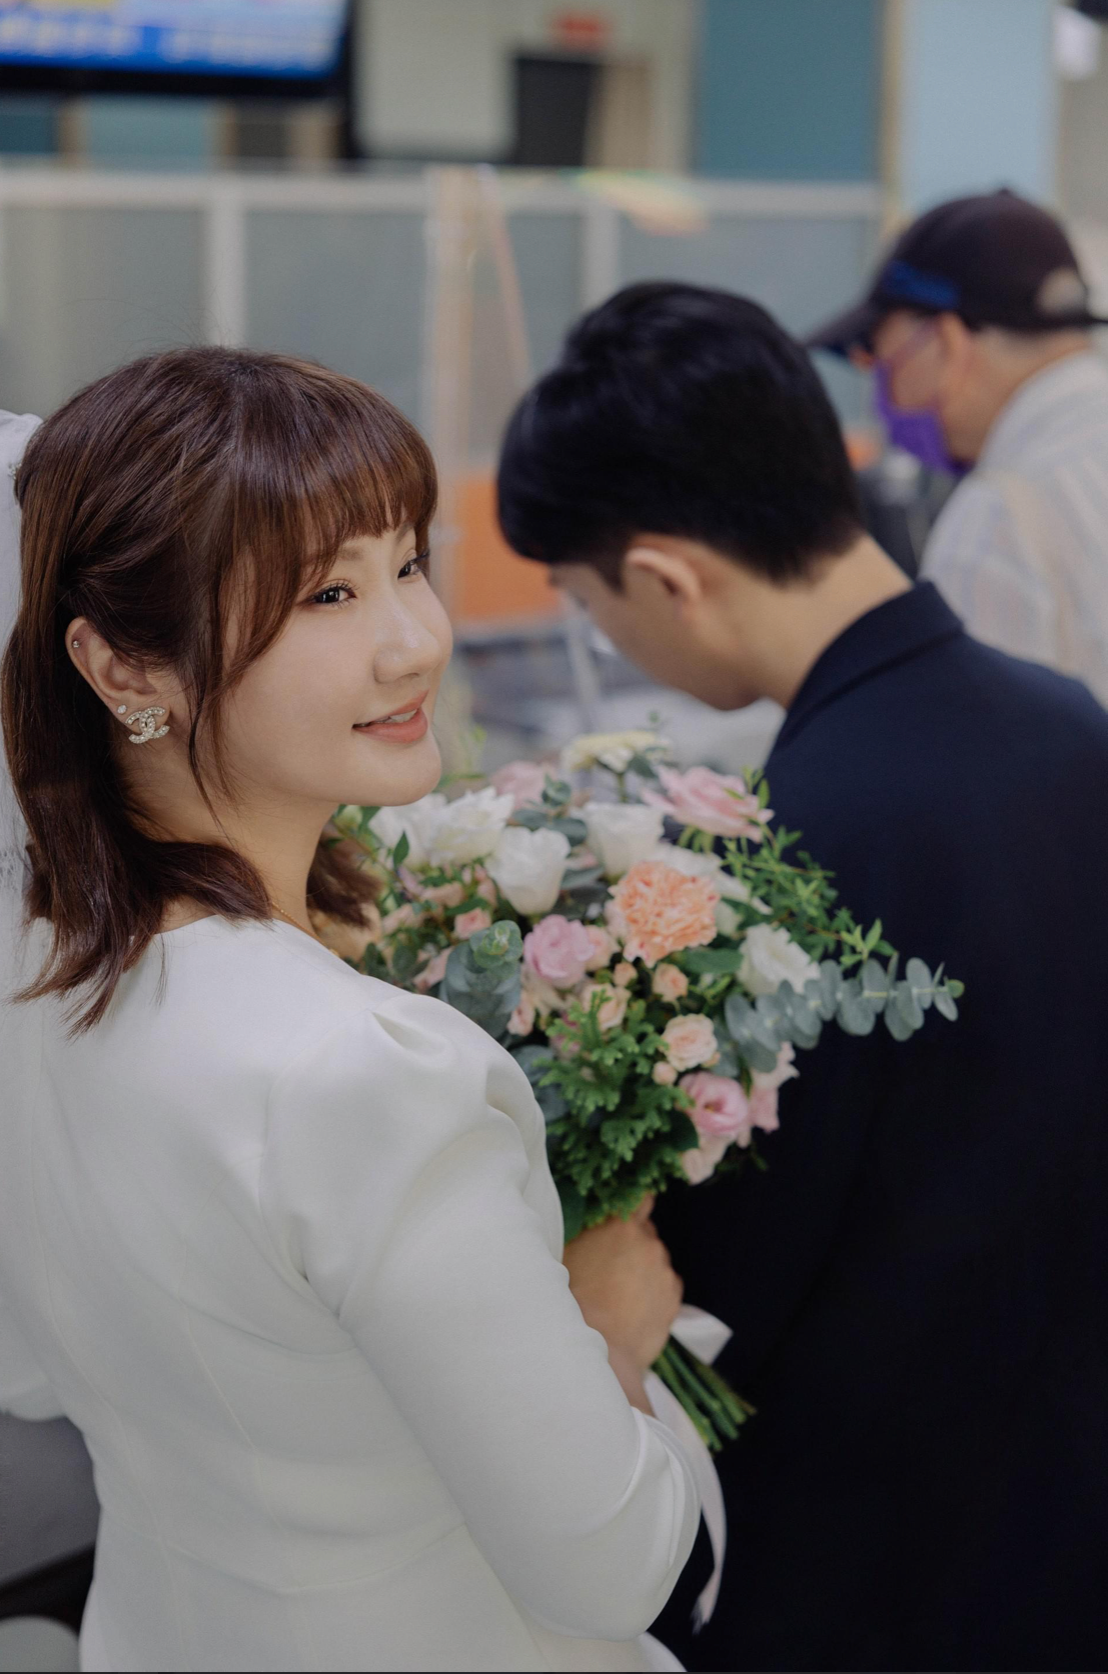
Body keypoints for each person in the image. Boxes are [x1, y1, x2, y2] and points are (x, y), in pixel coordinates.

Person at [0, 348, 700, 1674]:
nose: (415, 638)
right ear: (125, 664)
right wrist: (607, 1333)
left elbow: (31, 1376)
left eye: (407, 564)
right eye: (328, 592)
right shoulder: (361, 1073)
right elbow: (614, 1563)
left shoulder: (40, 988)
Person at [496, 281, 1108, 1674]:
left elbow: (724, 1285)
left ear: (665, 577)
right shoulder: (1072, 726)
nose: (606, 637)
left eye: (587, 601)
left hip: (880, 1561)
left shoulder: (789, 856)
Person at [808, 188, 1108, 704]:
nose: (883, 389)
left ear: (946, 342)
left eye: (880, 358)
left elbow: (978, 741)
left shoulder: (1002, 513)